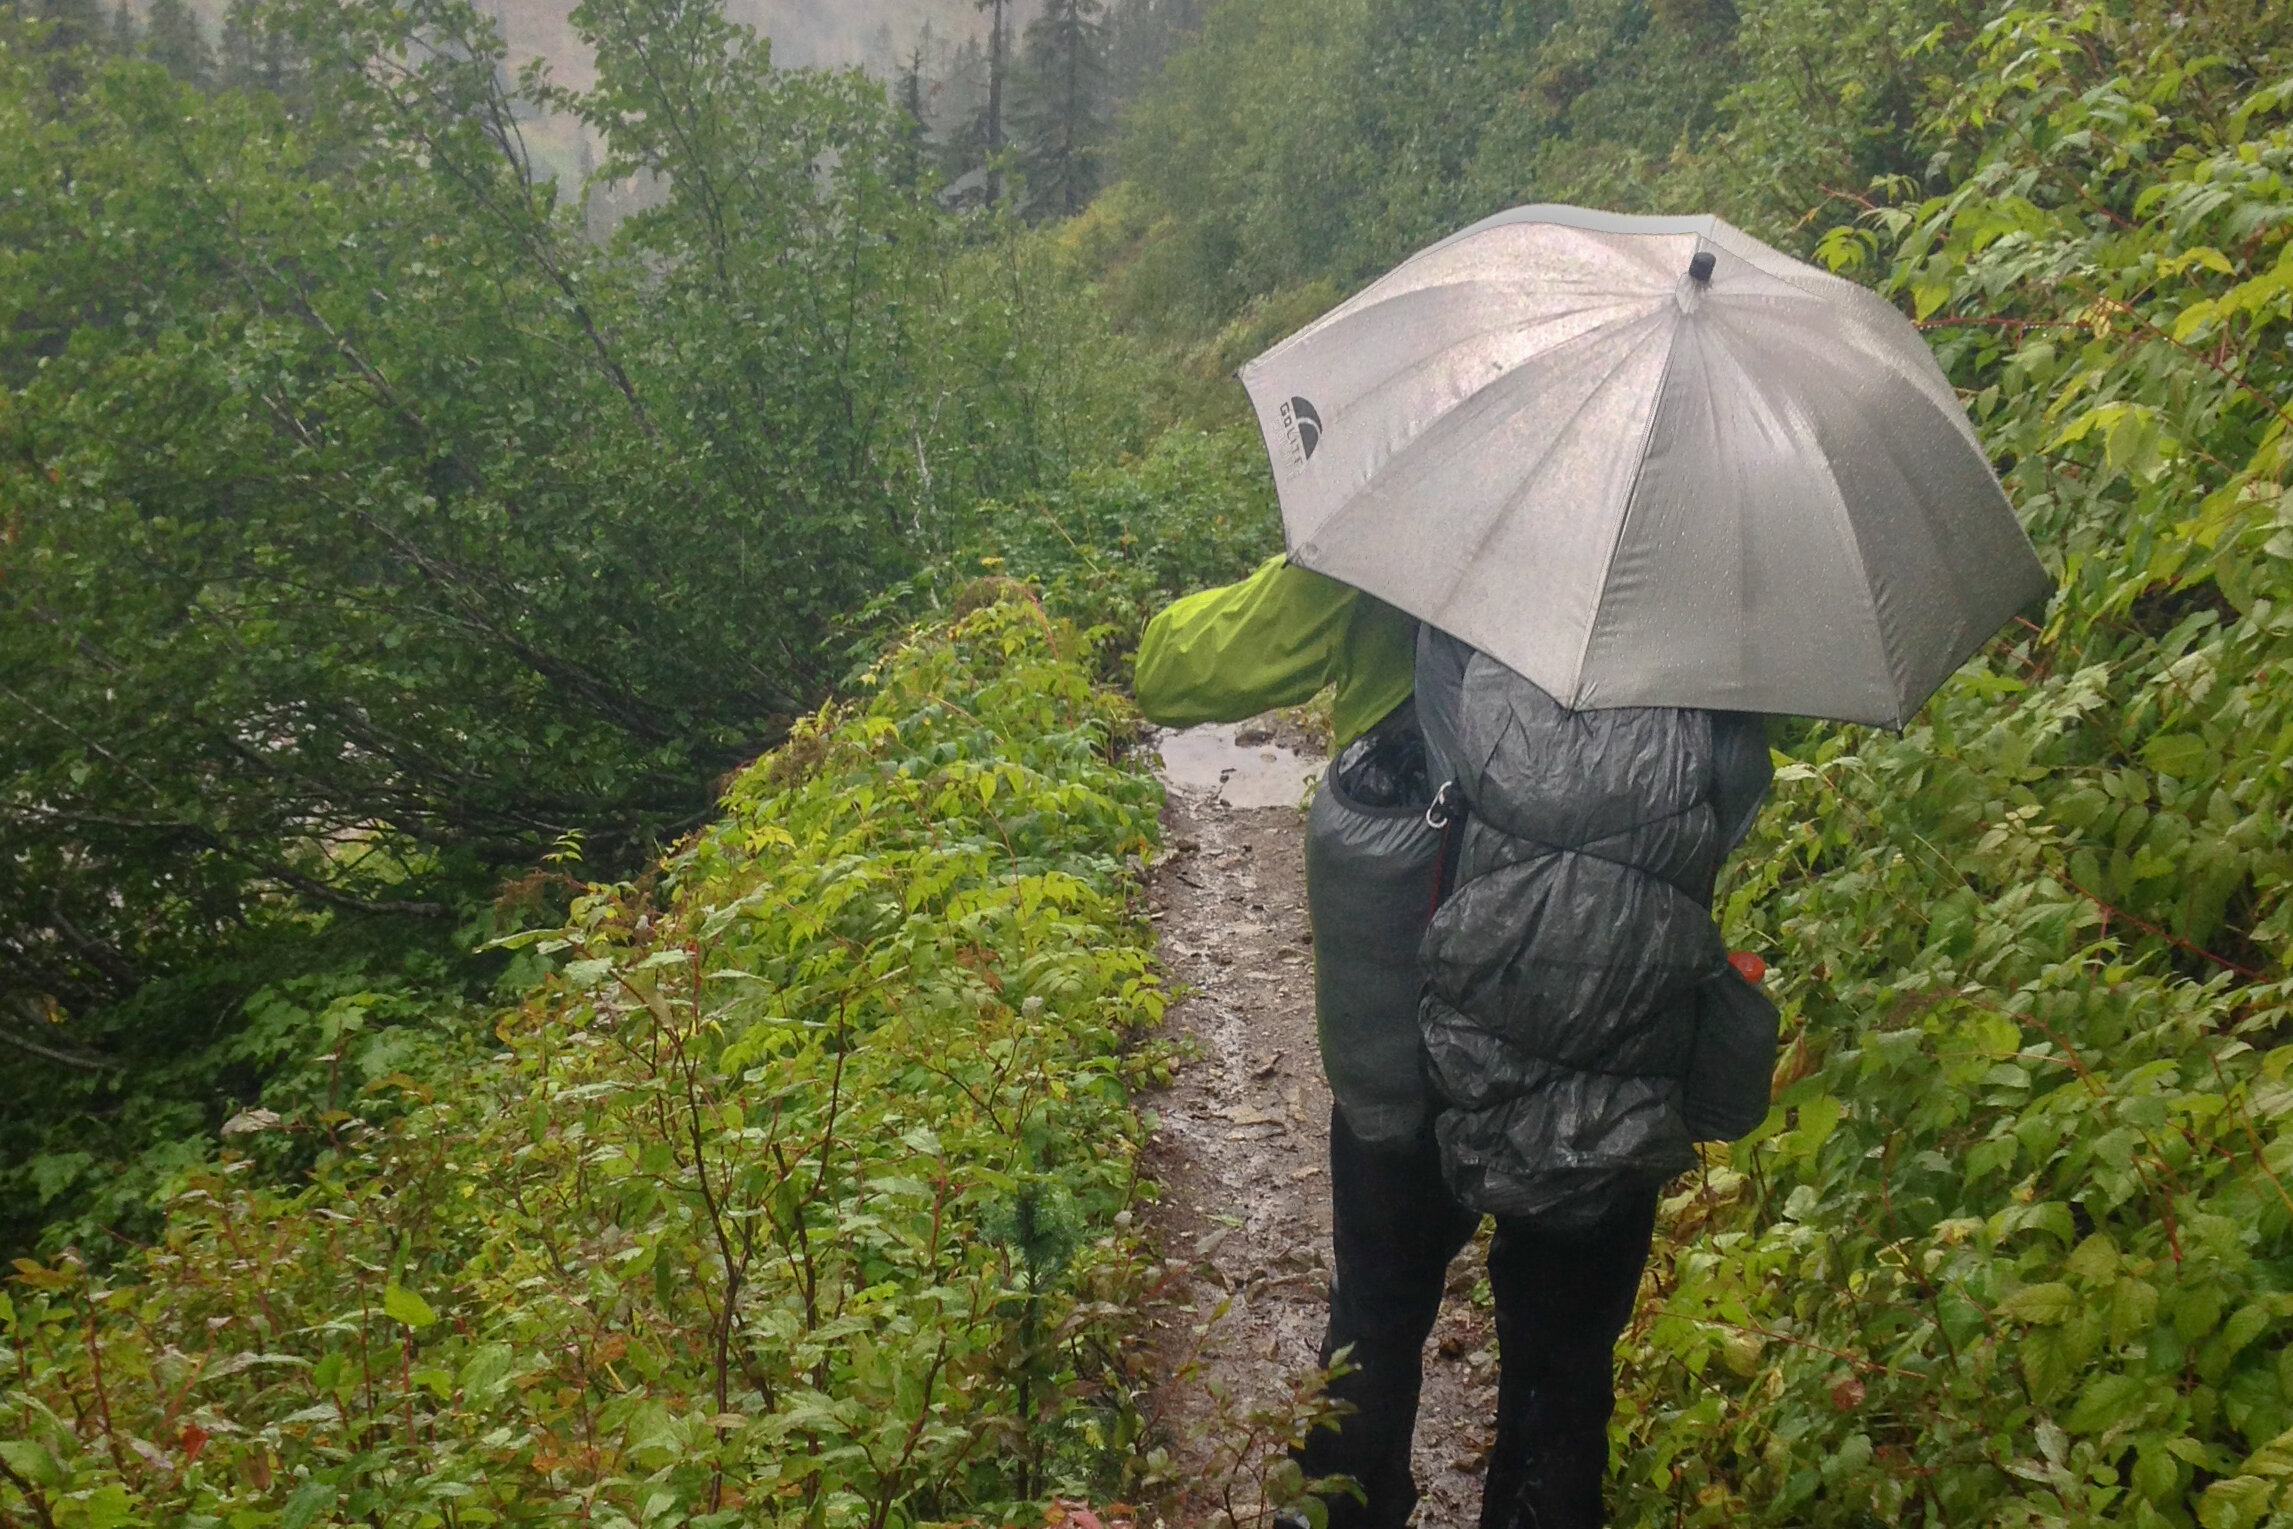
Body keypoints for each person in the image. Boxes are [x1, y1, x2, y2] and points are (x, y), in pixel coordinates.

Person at [1135, 556, 1772, 1529]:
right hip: (1612, 1031)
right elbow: (1739, 785)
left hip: (1415, 1016)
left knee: (1378, 1323)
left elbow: (1177, 671)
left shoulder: (1416, 534)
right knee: (1561, 1376)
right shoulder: (1700, 559)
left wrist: (1328, 560)